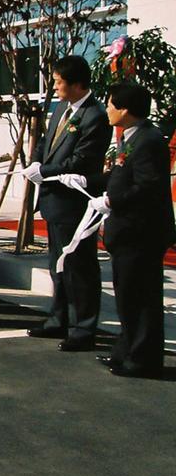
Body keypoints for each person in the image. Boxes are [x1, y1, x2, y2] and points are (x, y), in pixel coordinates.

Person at [24, 55, 111, 352]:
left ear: (76, 84)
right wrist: (36, 162)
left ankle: (84, 328)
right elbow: (45, 143)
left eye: (59, 82)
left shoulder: (95, 116)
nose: (55, 86)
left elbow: (82, 161)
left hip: (73, 203)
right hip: (52, 200)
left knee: (79, 267)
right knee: (57, 265)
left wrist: (44, 172)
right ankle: (57, 319)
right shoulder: (62, 108)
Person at [95, 83, 174, 378]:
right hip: (127, 232)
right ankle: (126, 349)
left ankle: (143, 359)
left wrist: (113, 200)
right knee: (127, 295)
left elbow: (148, 186)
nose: (108, 109)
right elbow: (119, 175)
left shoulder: (148, 141)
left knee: (141, 298)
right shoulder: (132, 137)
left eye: (110, 104)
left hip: (141, 233)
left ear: (125, 109)